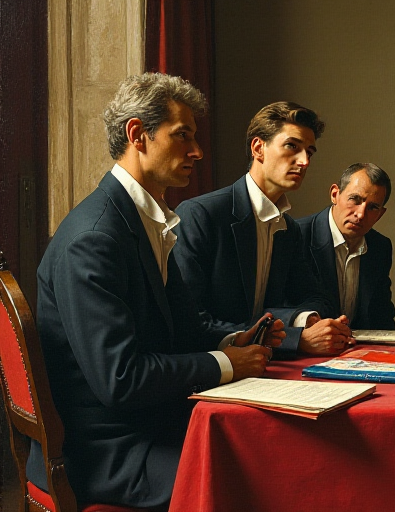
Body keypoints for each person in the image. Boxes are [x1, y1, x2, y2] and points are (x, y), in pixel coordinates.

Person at [28, 73, 279, 508]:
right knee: (257, 484)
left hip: (150, 426)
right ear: (136, 134)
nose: (197, 151)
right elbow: (120, 379)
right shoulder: (94, 237)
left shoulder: (145, 221)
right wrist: (226, 364)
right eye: (182, 136)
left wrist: (229, 342)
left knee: (276, 454)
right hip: (106, 454)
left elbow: (180, 329)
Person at [174, 102, 350, 356]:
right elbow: (191, 319)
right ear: (258, 148)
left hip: (266, 367)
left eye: (309, 152)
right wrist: (295, 338)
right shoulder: (200, 214)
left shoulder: (288, 229)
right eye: (292, 146)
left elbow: (318, 298)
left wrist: (307, 321)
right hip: (212, 366)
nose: (304, 161)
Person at [297, 163, 395, 329]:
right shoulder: (296, 236)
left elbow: (382, 316)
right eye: (355, 199)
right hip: (306, 348)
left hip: (359, 350)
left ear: (380, 214)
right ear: (335, 194)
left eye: (373, 207)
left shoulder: (380, 247)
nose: (360, 214)